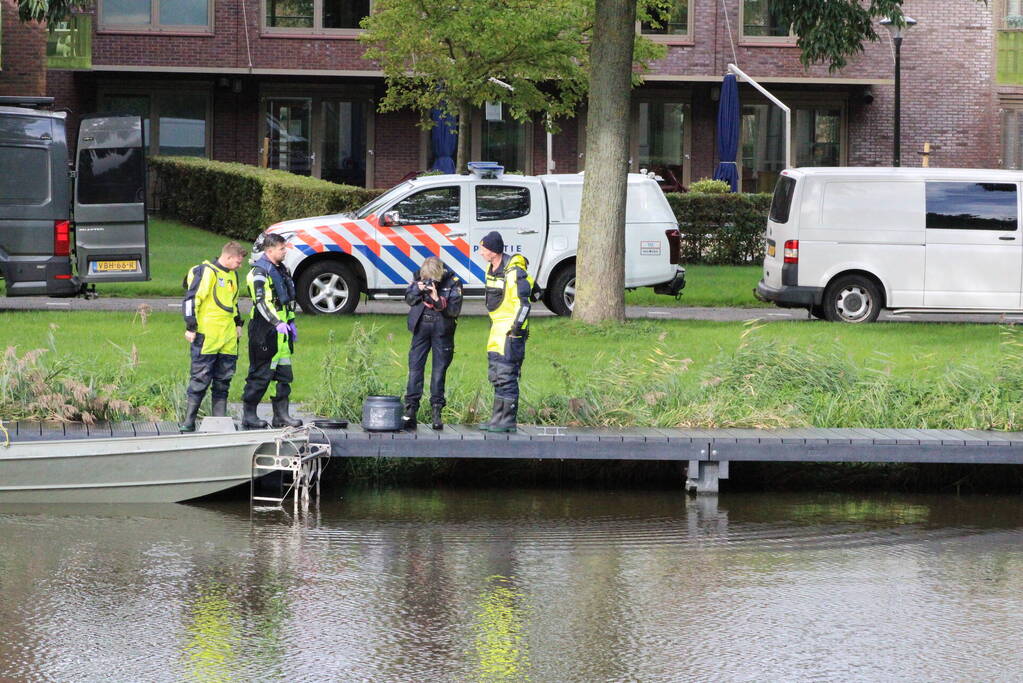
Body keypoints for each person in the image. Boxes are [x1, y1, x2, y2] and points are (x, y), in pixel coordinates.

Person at [179, 241, 247, 432]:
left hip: (228, 338)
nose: (240, 266)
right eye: (238, 261)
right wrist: (191, 327)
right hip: (206, 336)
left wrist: (238, 324)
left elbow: (233, 303)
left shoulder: (233, 275)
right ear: (228, 257)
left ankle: (219, 421)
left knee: (224, 379)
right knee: (200, 378)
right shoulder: (207, 272)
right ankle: (188, 421)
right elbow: (192, 300)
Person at [241, 232, 302, 430]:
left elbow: (288, 301)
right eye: (281, 248)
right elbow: (261, 303)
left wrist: (290, 322)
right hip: (264, 330)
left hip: (282, 332)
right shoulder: (259, 273)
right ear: (269, 250)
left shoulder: (283, 270)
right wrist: (277, 323)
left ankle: (281, 416)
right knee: (260, 374)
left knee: (284, 374)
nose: (285, 251)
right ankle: (249, 416)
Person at [477, 231, 534, 432]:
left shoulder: (514, 271)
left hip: (510, 332)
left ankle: (508, 421)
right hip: (496, 329)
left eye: (483, 249)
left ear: (493, 251)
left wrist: (516, 330)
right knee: (496, 374)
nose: (481, 252)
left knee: (508, 374)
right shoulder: (490, 268)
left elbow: (524, 305)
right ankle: (496, 420)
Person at [403, 256, 463, 430]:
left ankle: (436, 412)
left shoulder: (453, 282)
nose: (429, 282)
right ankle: (410, 411)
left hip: (442, 330)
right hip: (420, 327)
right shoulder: (418, 277)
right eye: (425, 278)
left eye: (432, 279)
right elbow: (409, 299)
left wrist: (436, 298)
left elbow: (453, 310)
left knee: (438, 372)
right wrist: (417, 289)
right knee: (415, 369)